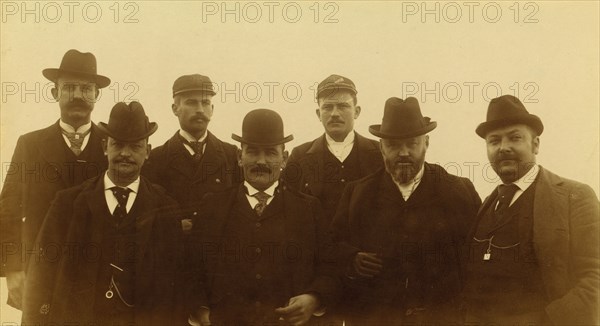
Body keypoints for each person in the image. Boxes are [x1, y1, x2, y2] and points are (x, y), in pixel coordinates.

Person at [22, 102, 183, 325]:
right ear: (105, 146)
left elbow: (175, 290)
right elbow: (40, 278)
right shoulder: (67, 203)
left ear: (147, 152)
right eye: (118, 145)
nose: (125, 154)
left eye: (135, 146)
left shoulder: (165, 209)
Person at [330, 97, 481, 325]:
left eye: (412, 143)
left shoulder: (458, 191)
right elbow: (331, 247)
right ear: (381, 147)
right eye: (393, 145)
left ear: (426, 143)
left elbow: (477, 256)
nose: (403, 153)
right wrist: (351, 259)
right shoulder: (357, 194)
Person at [188, 109, 338, 326]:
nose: (261, 161)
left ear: (284, 158)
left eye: (271, 152)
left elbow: (331, 269)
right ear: (239, 157)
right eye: (252, 152)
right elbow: (191, 270)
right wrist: (202, 313)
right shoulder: (212, 207)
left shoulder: (309, 209)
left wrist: (314, 298)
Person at [462, 95, 600, 325]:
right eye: (494, 141)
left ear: (535, 144)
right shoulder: (487, 205)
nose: (503, 148)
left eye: (514, 138)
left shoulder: (574, 196)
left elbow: (595, 276)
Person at [0, 49, 110, 309]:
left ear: (96, 94)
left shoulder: (112, 145)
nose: (77, 96)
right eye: (69, 87)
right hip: (40, 277)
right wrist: (13, 268)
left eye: (86, 88)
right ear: (54, 93)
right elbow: (9, 208)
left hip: (100, 280)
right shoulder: (30, 144)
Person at [142, 74, 240, 233]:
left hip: (217, 253)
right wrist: (173, 226)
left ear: (212, 109)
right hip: (175, 254)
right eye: (191, 103)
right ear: (175, 109)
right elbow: (146, 215)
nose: (200, 110)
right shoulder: (156, 158)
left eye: (205, 102)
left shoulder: (231, 155)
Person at [284, 74, 382, 222]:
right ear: (319, 114)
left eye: (343, 106)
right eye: (328, 107)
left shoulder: (379, 153)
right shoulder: (299, 156)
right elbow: (288, 209)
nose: (335, 114)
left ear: (357, 111)